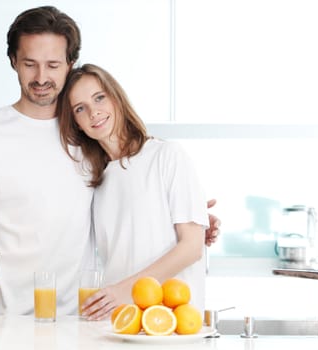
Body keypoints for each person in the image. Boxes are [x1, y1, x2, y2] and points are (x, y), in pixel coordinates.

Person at [0, 6, 220, 316]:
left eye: (53, 64)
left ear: (70, 64)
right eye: (30, 64)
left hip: (81, 316)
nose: (41, 77)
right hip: (5, 316)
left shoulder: (88, 137)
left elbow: (132, 195)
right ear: (14, 61)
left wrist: (189, 217)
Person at [57, 63, 209, 320]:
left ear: (116, 98)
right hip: (120, 323)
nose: (94, 112)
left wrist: (125, 290)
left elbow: (192, 247)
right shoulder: (96, 181)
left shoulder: (166, 155)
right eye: (80, 109)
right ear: (77, 124)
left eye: (99, 98)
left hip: (170, 322)